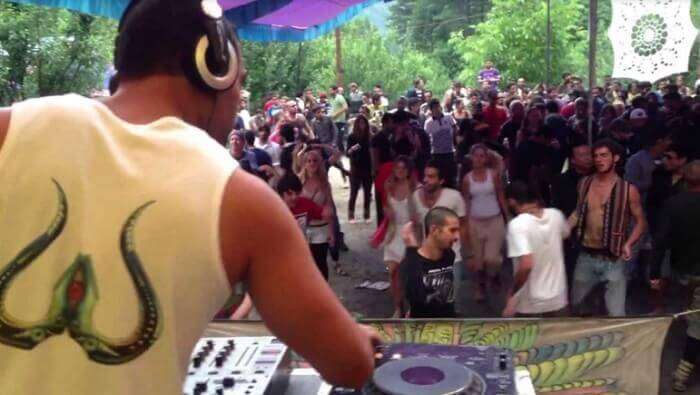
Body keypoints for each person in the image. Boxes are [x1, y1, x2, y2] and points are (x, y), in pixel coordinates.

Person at [0, 0, 377, 393]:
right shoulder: (243, 201)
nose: (238, 99)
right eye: (240, 81)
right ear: (216, 69)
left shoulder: (9, 129)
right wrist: (360, 343)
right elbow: (348, 364)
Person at [569, 139, 646, 316]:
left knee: (616, 313)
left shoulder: (628, 190)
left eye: (604, 155)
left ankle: (616, 342)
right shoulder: (584, 183)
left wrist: (629, 243)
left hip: (613, 258)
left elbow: (641, 221)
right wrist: (561, 230)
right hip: (586, 256)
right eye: (595, 156)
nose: (598, 159)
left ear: (616, 158)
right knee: (577, 307)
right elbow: (578, 212)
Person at [651, 161, 700, 392]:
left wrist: (654, 272)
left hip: (685, 273)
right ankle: (683, 374)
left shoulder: (673, 204)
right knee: (696, 327)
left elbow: (660, 242)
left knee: (693, 317)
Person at [503, 181, 571, 317]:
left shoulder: (517, 225)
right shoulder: (555, 215)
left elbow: (526, 265)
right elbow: (565, 233)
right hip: (558, 299)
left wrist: (512, 293)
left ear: (511, 202)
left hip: (530, 304)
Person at [412, 161, 470, 307]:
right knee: (425, 301)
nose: (426, 180)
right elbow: (416, 226)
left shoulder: (454, 197)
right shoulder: (415, 197)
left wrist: (467, 251)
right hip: (425, 258)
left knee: (450, 299)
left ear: (441, 180)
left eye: (431, 177)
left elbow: (463, 224)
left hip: (452, 257)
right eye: (425, 176)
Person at [461, 144, 509, 301]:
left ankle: (494, 275)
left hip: (494, 220)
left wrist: (507, 216)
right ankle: (479, 286)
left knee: (492, 258)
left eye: (482, 156)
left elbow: (500, 195)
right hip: (475, 221)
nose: (478, 159)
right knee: (478, 259)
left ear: (486, 158)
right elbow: (466, 201)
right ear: (471, 158)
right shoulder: (467, 179)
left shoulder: (493, 175)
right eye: (476, 156)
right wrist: (465, 224)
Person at [400, 208, 460, 318]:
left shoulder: (449, 255)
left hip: (448, 325)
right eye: (452, 230)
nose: (457, 237)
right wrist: (411, 248)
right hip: (423, 328)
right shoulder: (411, 263)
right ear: (434, 230)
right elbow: (415, 297)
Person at [383, 156, 418, 317]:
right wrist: (387, 212)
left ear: (409, 170)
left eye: (403, 168)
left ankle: (411, 306)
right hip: (393, 233)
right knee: (392, 272)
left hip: (410, 233)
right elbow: (386, 208)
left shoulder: (417, 188)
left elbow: (418, 215)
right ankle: (398, 307)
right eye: (397, 168)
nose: (400, 171)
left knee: (409, 274)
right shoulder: (389, 186)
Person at [297, 149, 336, 280]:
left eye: (315, 161)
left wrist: (331, 231)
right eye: (309, 161)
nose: (312, 163)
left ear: (319, 163)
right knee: (307, 265)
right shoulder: (299, 181)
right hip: (303, 229)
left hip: (321, 228)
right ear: (305, 164)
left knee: (321, 263)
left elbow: (329, 207)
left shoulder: (325, 184)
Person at [424, 99, 458, 189]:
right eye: (435, 108)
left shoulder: (448, 117)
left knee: (451, 175)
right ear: (431, 110)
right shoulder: (428, 123)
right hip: (436, 153)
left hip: (449, 151)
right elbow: (426, 137)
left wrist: (455, 145)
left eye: (438, 107)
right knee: (439, 175)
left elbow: (455, 129)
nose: (437, 109)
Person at [346, 115, 373, 223]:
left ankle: (367, 215)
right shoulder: (352, 137)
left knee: (367, 192)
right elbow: (347, 153)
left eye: (364, 123)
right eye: (360, 123)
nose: (362, 126)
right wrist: (352, 148)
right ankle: (351, 215)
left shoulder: (370, 137)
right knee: (354, 193)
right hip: (356, 168)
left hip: (367, 167)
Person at [330, 85, 349, 152]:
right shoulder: (332, 99)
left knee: (340, 139)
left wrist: (336, 114)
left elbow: (345, 107)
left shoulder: (340, 97)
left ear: (335, 90)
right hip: (334, 122)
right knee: (335, 139)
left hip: (340, 122)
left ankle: (343, 153)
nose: (330, 91)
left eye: (331, 90)